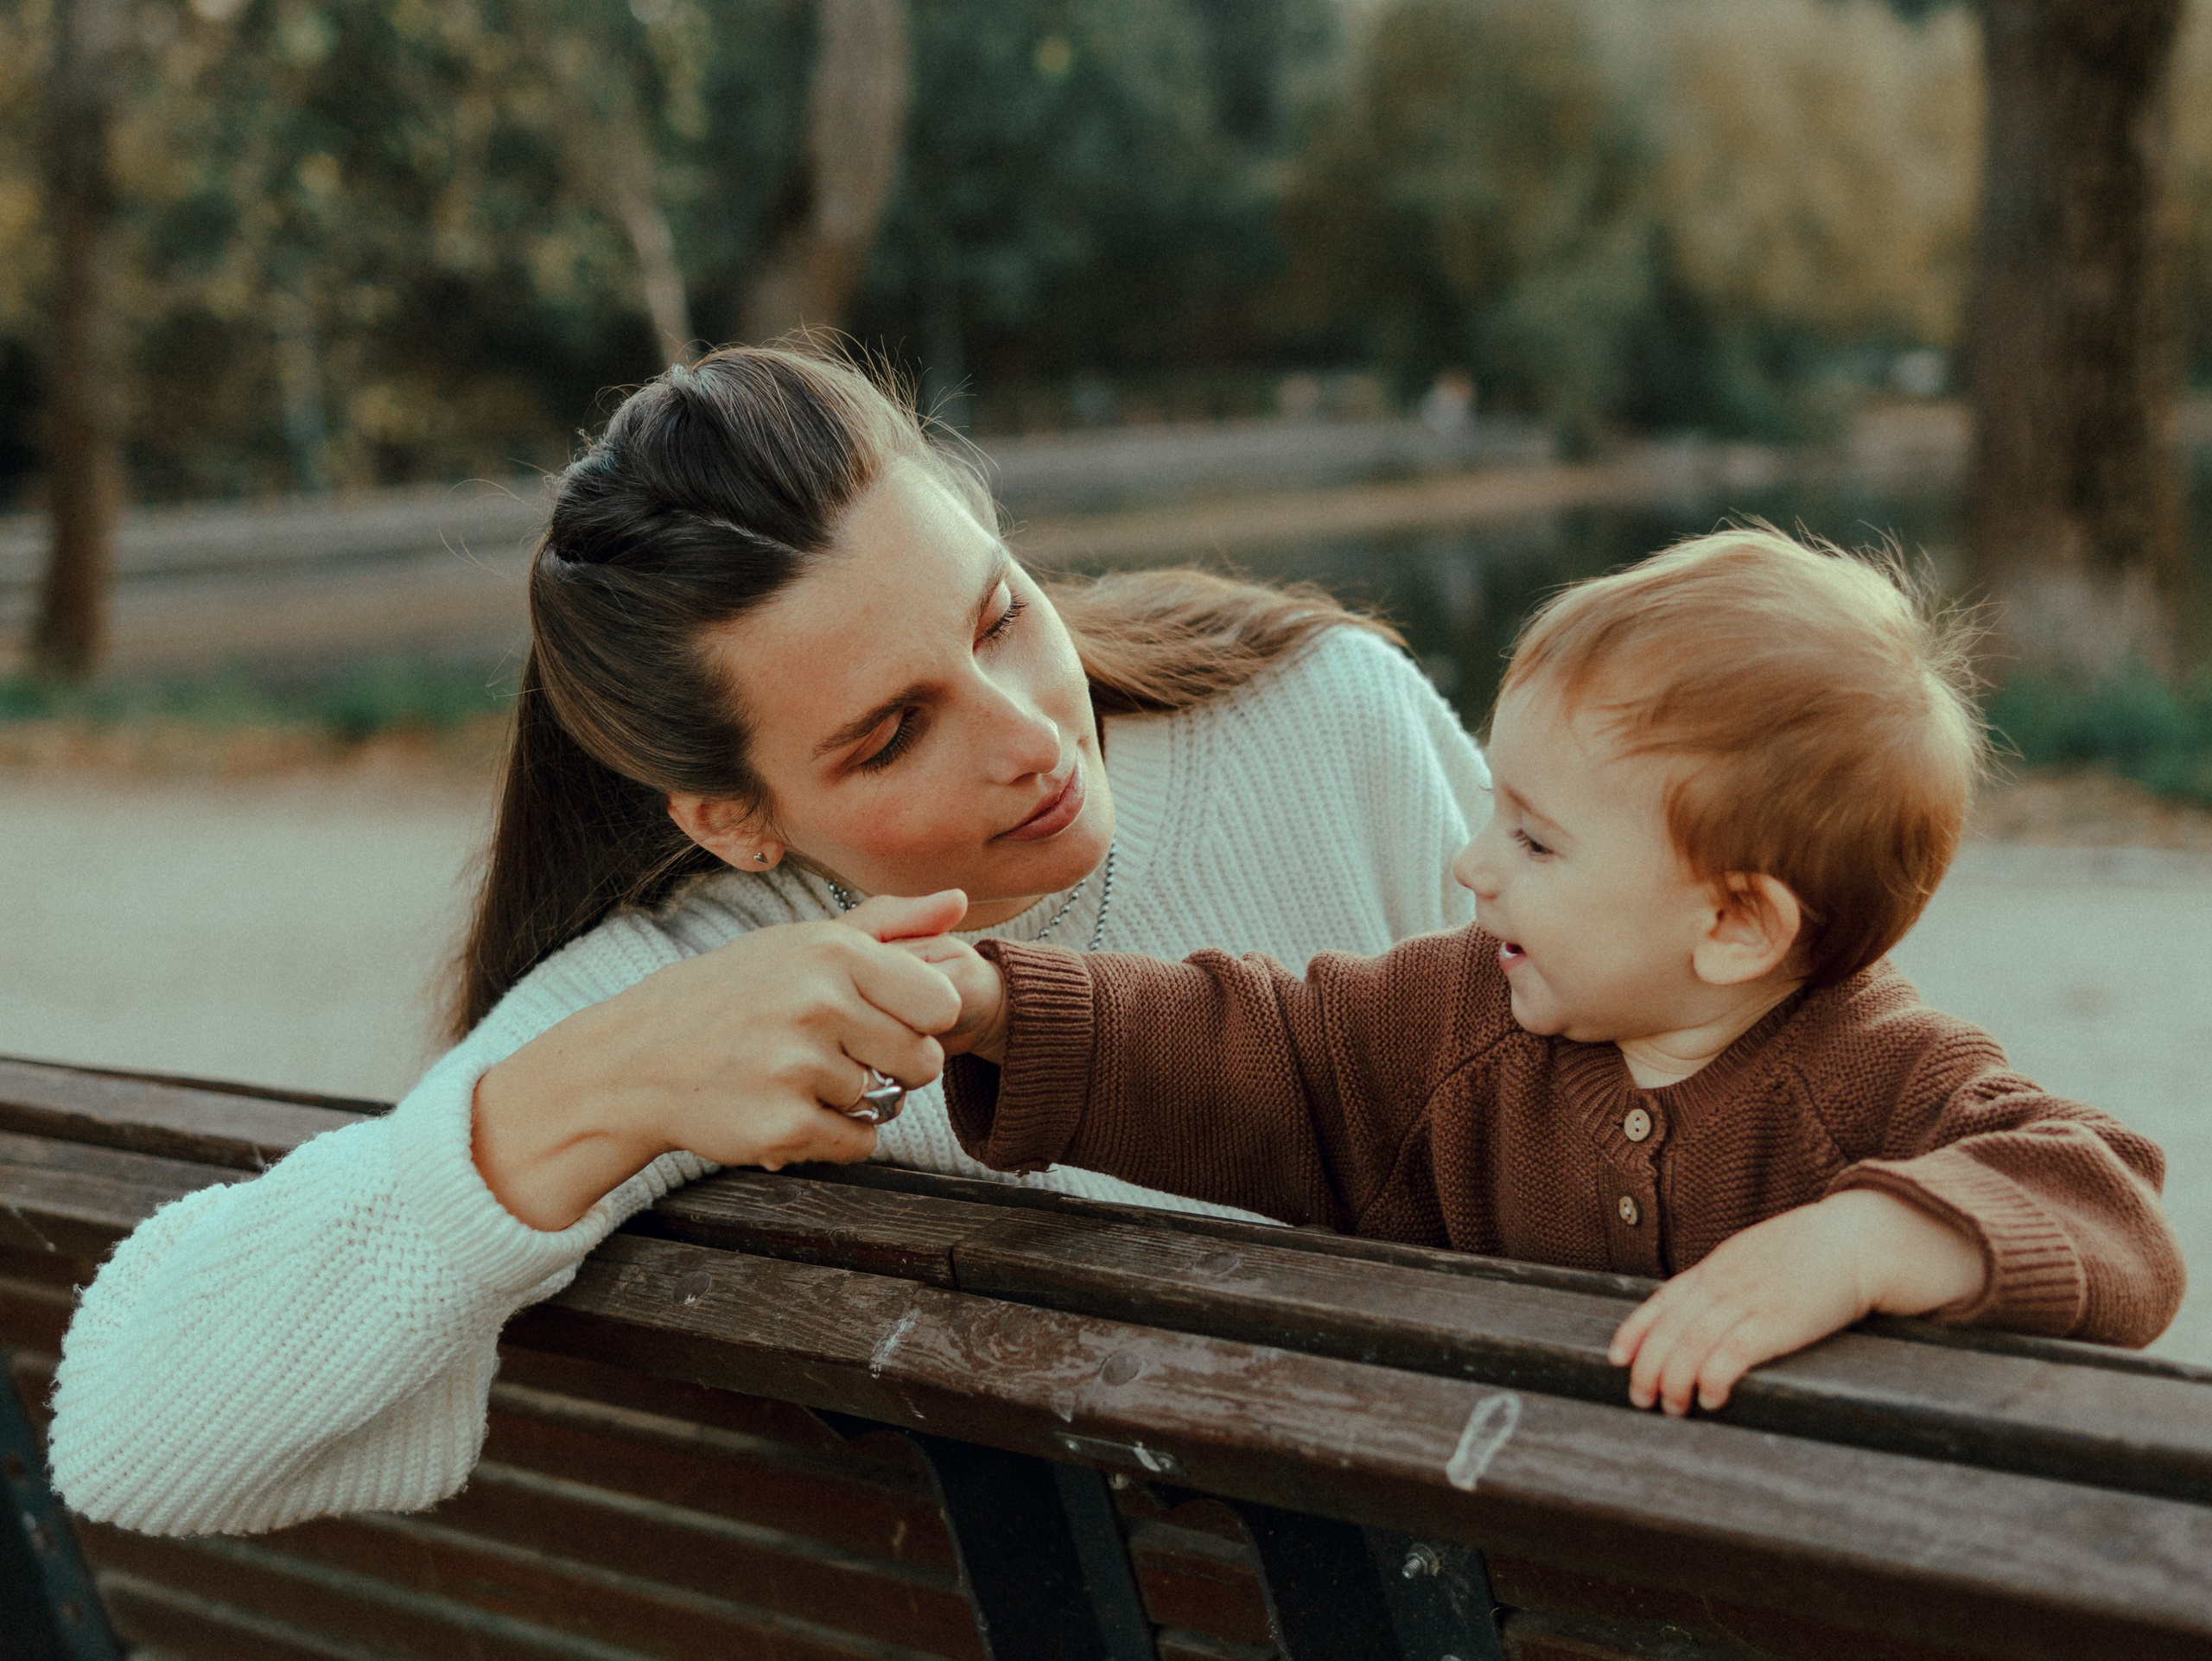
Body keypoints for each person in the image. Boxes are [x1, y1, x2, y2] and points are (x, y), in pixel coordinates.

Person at [48, 346, 1489, 1536]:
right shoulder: (711, 989)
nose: (1029, 731)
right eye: (893, 733)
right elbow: (124, 1426)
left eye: (999, 616)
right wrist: (604, 1082)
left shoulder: (1326, 718)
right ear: (737, 820)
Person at [912, 528, 2187, 1417]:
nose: (1472, 863)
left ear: (1736, 924)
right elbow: (1263, 1051)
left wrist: (1866, 1239)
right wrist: (994, 1006)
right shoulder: (1455, 1020)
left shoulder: (1883, 1072)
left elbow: (2115, 1212)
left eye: (1534, 837)